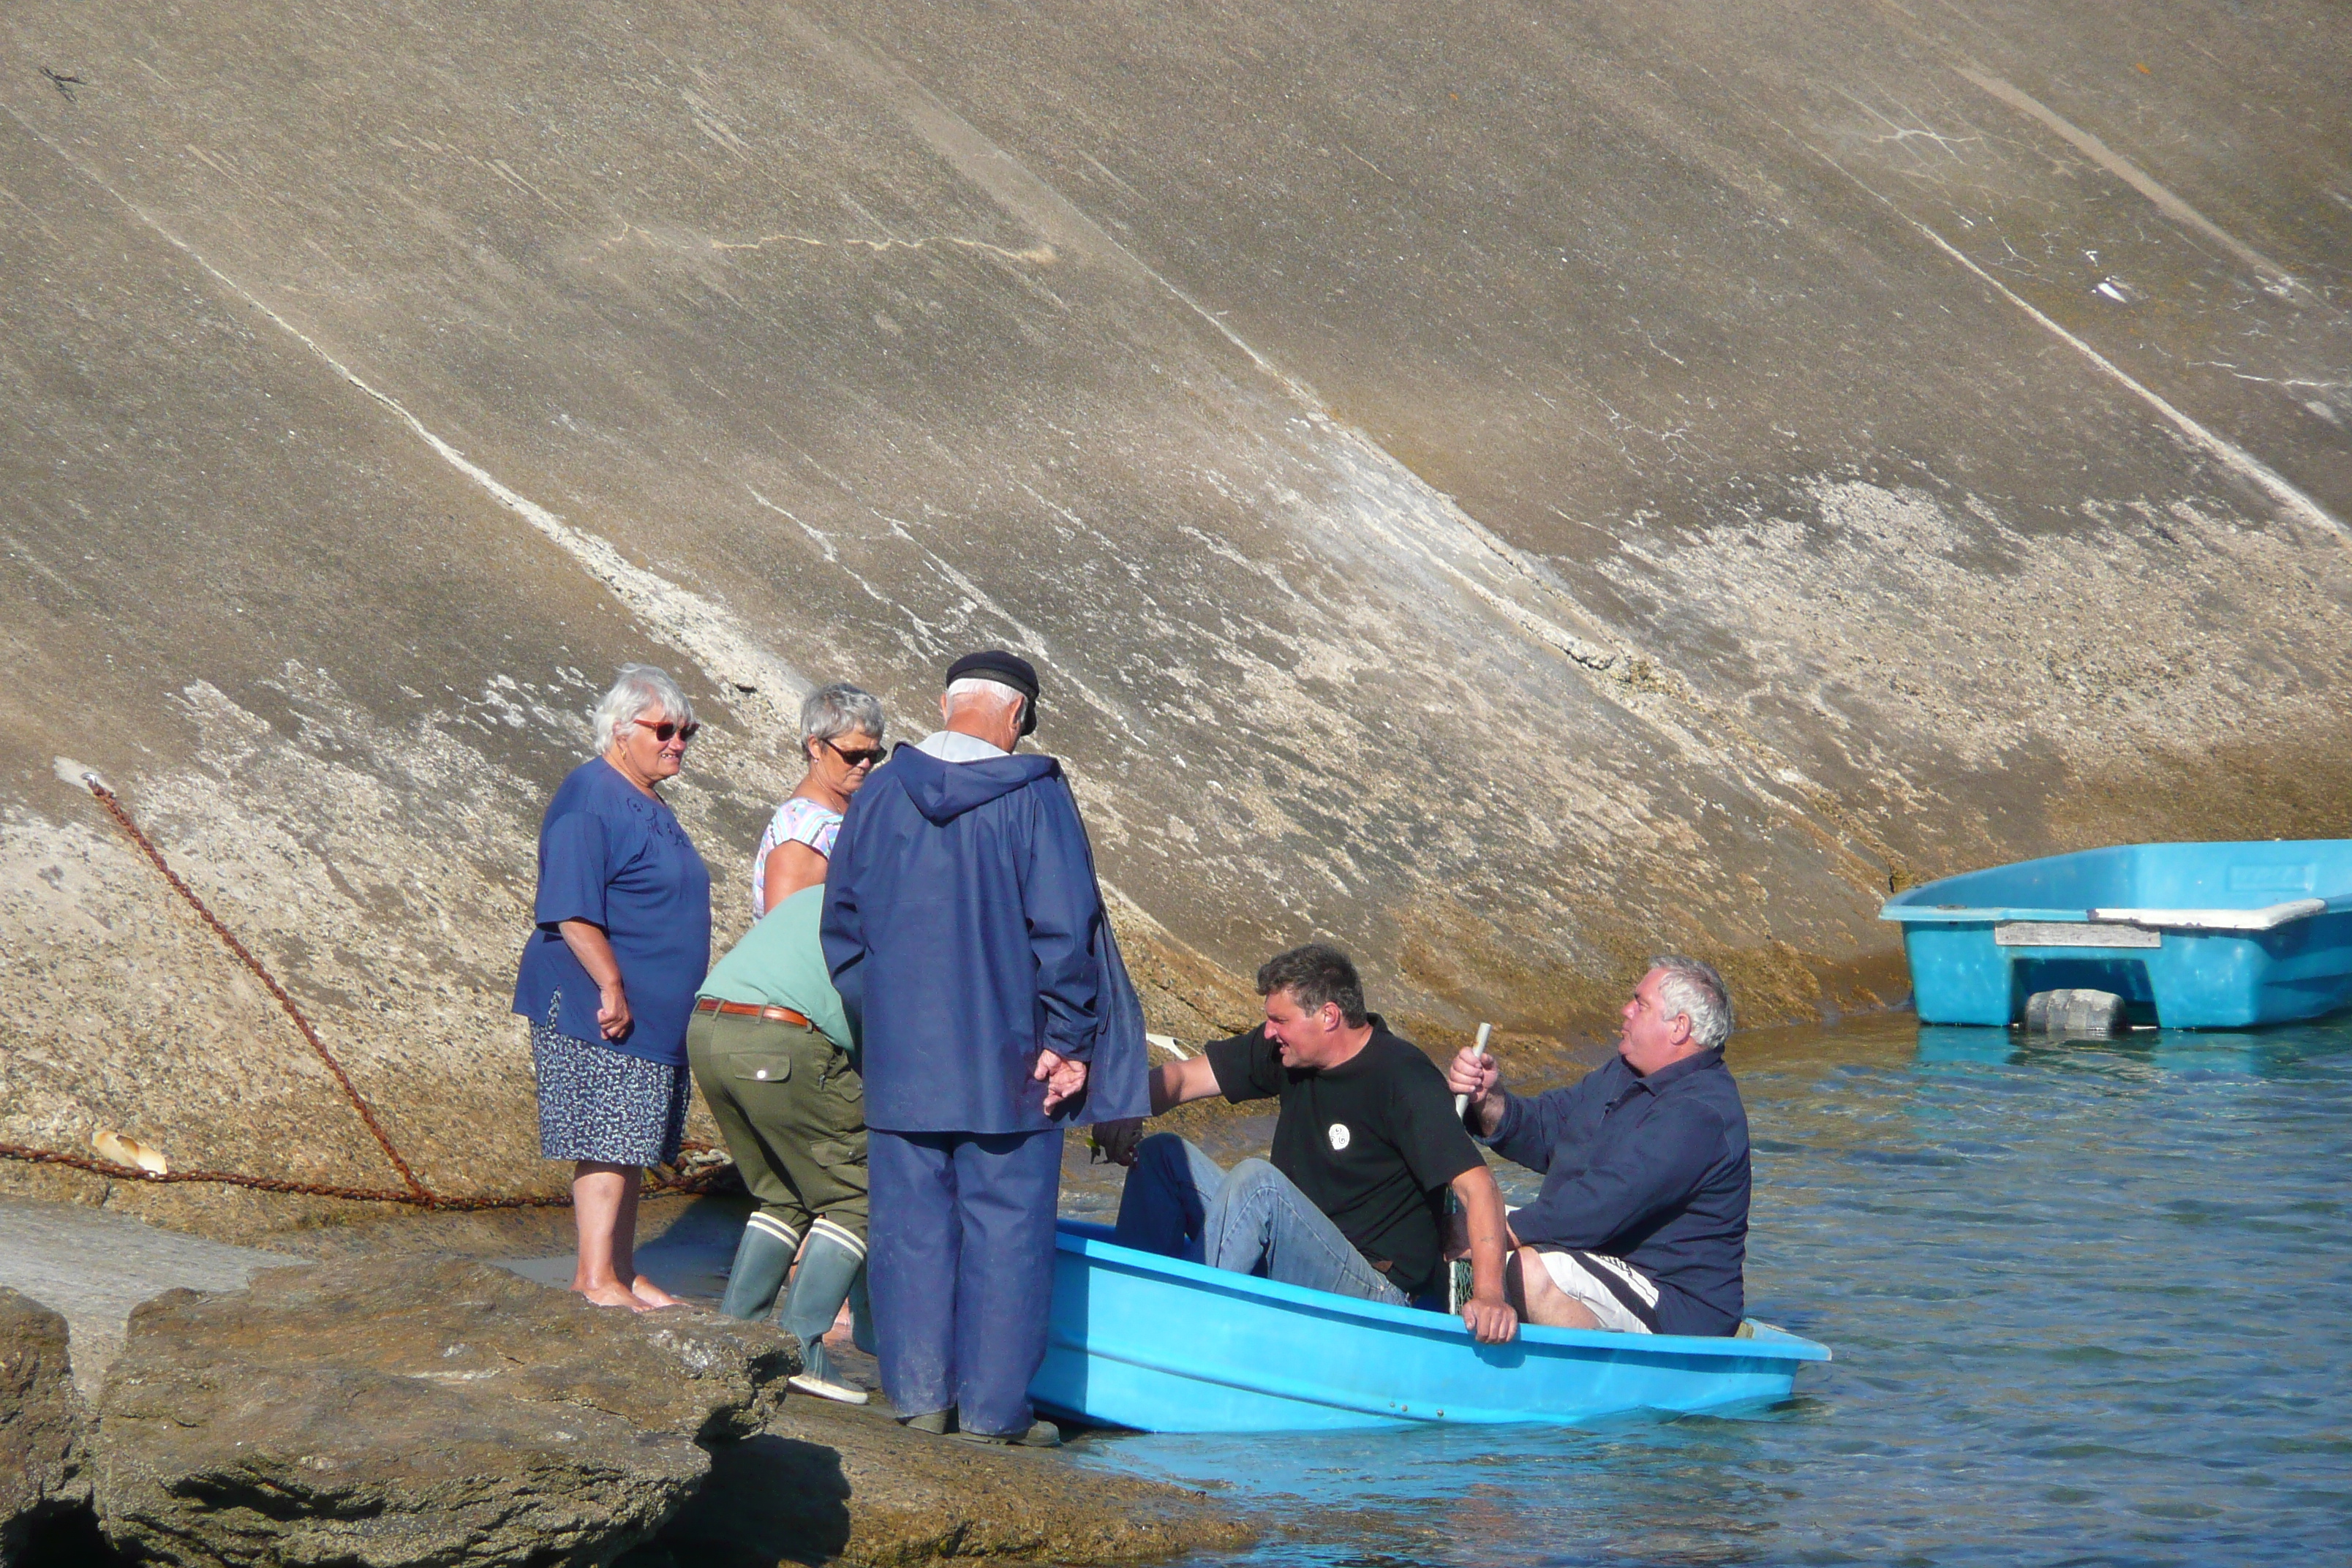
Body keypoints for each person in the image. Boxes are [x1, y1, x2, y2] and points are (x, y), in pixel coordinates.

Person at [821, 649, 1148, 1447]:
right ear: (1017, 715)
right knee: (1007, 1231)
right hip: (1013, 1063)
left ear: (944, 703)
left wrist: (889, 1025)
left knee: (910, 1228)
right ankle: (994, 1414)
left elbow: (843, 929)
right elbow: (1066, 929)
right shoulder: (1035, 794)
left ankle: (919, 1398)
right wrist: (1069, 1038)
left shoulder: (878, 792)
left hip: (904, 1063)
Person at [1104, 943, 1518, 1344]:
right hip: (1294, 1250)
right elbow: (1183, 1079)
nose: (1269, 1032)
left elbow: (1479, 1187)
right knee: (1161, 1156)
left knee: (1258, 1184)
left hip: (1374, 1290)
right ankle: (1125, 1312)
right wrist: (1120, 1108)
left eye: (1279, 1021)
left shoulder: (1402, 1077)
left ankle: (1175, 1331)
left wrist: (1490, 1297)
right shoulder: (1286, 1052)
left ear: (1329, 1016)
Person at [513, 665, 712, 1311]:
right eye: (664, 729)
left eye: (687, 731)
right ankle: (594, 1277)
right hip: (596, 1004)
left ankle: (623, 1273)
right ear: (621, 730)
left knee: (633, 1140)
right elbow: (570, 908)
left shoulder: (645, 797)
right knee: (606, 1135)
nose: (677, 741)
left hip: (655, 1013)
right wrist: (612, 984)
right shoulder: (589, 797)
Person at [1446, 956, 1749, 1337]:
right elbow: (1549, 1128)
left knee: (1531, 1270)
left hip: (1675, 1300)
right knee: (1460, 1211)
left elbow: (1604, 1204)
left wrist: (1497, 1235)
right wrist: (1486, 1099)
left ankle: (1576, 1381)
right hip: (1599, 1256)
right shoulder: (1624, 1073)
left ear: (1679, 1027)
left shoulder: (1702, 1114)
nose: (1626, 1010)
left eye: (1641, 1004)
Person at [688, 882, 873, 1401]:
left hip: (708, 1026)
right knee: (857, 1194)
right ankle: (801, 1347)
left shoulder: (826, 892)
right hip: (781, 1036)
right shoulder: (898, 902)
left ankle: (735, 1335)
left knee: (783, 1192)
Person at [753, 682, 886, 915]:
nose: (865, 764)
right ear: (816, 746)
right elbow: (784, 931)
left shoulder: (850, 807)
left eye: (873, 755)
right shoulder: (803, 831)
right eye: (853, 754)